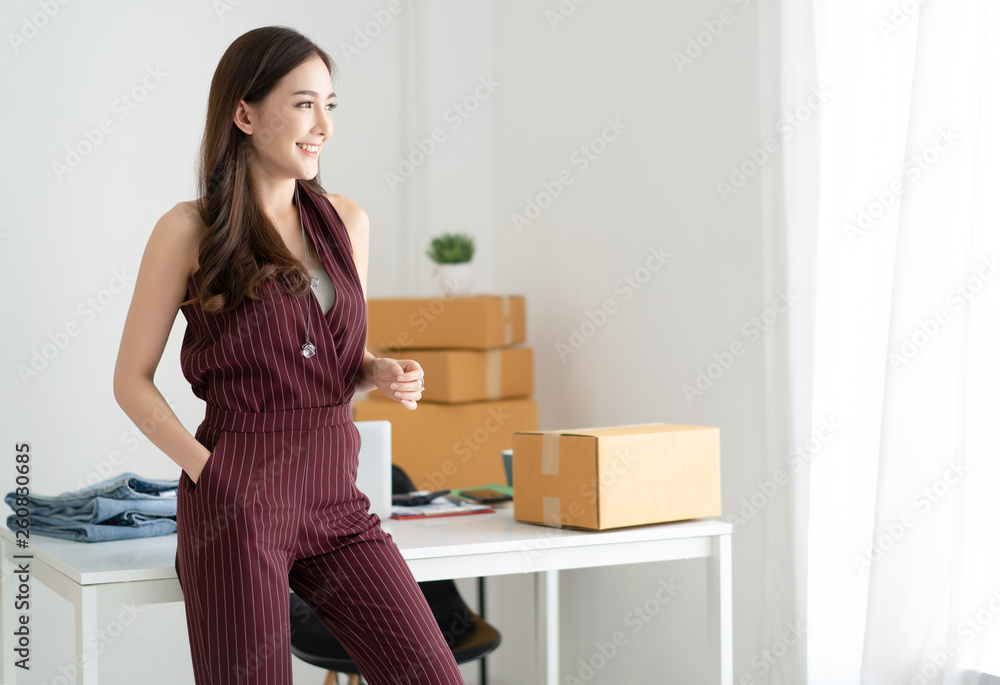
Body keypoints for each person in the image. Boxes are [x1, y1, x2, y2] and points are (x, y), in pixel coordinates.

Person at [112, 25, 465, 685]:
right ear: (244, 114)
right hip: (238, 500)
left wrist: (377, 368)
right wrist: (214, 476)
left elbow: (332, 357)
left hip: (337, 498)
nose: (323, 124)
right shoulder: (188, 230)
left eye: (331, 104)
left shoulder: (347, 220)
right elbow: (131, 381)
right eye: (304, 103)